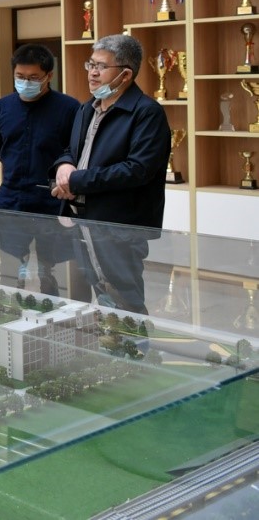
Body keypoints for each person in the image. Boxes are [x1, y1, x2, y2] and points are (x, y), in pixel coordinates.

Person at [52, 34, 170, 314]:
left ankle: (133, 342)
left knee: (126, 301)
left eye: (101, 66)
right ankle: (109, 342)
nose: (92, 72)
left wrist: (76, 181)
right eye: (91, 64)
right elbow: (72, 150)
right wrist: (63, 166)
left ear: (125, 74)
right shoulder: (87, 108)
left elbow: (137, 170)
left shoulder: (146, 112)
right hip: (81, 219)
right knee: (101, 295)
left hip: (119, 227)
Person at [0, 44, 79, 295]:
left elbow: (74, 151)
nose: (25, 82)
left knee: (52, 271)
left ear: (49, 76)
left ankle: (53, 311)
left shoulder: (70, 108)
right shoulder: (1, 108)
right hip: (11, 199)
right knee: (9, 269)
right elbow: (0, 148)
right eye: (20, 76)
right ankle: (11, 310)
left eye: (33, 78)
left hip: (52, 201)